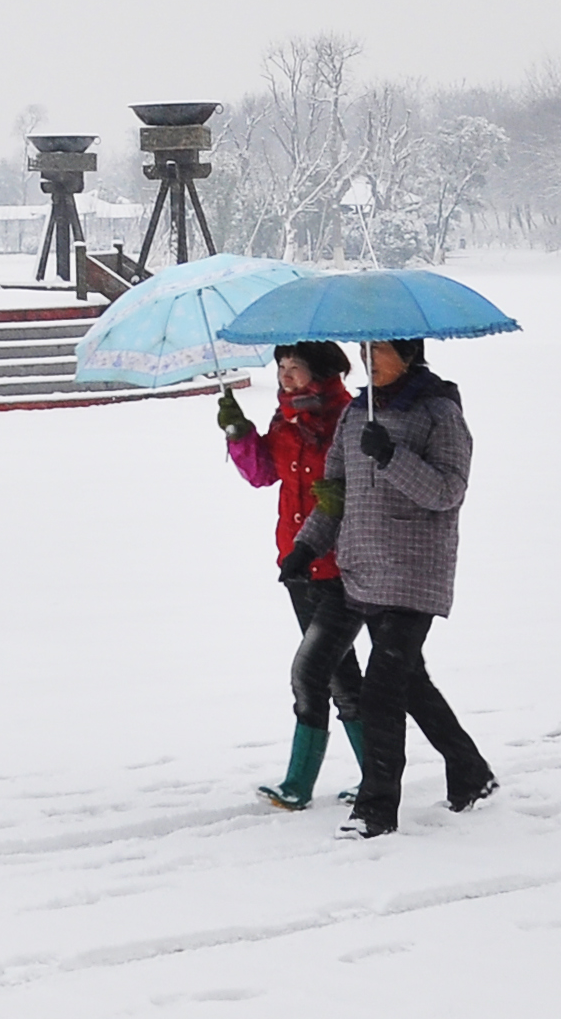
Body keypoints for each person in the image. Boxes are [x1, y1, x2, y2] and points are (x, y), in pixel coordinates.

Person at [290, 335, 497, 837]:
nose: (368, 360)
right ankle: (470, 771)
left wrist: (392, 457)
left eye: (379, 350)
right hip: (359, 567)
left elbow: (449, 492)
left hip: (412, 574)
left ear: (408, 353)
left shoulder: (439, 412)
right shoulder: (358, 411)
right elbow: (336, 490)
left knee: (383, 691)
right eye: (364, 351)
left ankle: (376, 810)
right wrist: (307, 546)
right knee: (391, 680)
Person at [216, 341, 368, 811]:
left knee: (316, 673)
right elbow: (264, 473)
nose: (285, 376)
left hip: (345, 567)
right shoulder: (285, 420)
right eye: (281, 367)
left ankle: (304, 783)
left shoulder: (351, 418)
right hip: (298, 564)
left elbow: (374, 482)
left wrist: (346, 494)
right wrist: (240, 433)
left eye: (295, 368)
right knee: (340, 675)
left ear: (320, 372)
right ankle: (369, 775)